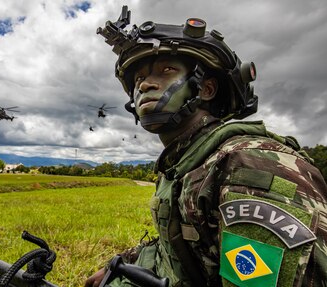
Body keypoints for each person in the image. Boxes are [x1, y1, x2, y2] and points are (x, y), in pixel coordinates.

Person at [86, 6, 327, 287]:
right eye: (138, 78)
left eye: (166, 71)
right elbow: (185, 248)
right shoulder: (183, 165)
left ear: (206, 89)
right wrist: (124, 263)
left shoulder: (250, 166)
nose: (146, 85)